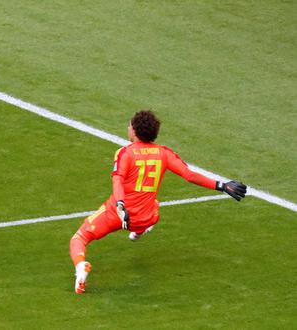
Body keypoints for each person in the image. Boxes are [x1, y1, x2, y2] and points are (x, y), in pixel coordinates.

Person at [69, 110, 247, 294]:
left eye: (130, 125)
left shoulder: (124, 153)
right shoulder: (164, 153)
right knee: (154, 206)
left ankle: (81, 266)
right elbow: (189, 175)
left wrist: (121, 205)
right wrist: (222, 185)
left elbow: (117, 181)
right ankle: (138, 232)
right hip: (147, 217)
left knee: (79, 238)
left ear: (135, 130)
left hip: (118, 214)